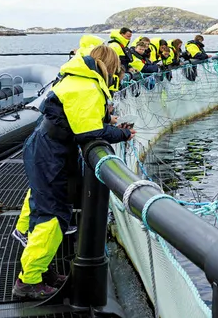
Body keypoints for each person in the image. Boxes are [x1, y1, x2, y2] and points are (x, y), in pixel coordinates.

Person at [13, 45, 134, 299]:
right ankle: (29, 281)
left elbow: (83, 121)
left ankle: (40, 269)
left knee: (48, 208)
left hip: (48, 149)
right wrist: (122, 134)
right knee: (52, 215)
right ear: (110, 67)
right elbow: (89, 133)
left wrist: (109, 125)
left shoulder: (78, 78)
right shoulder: (88, 87)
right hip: (51, 154)